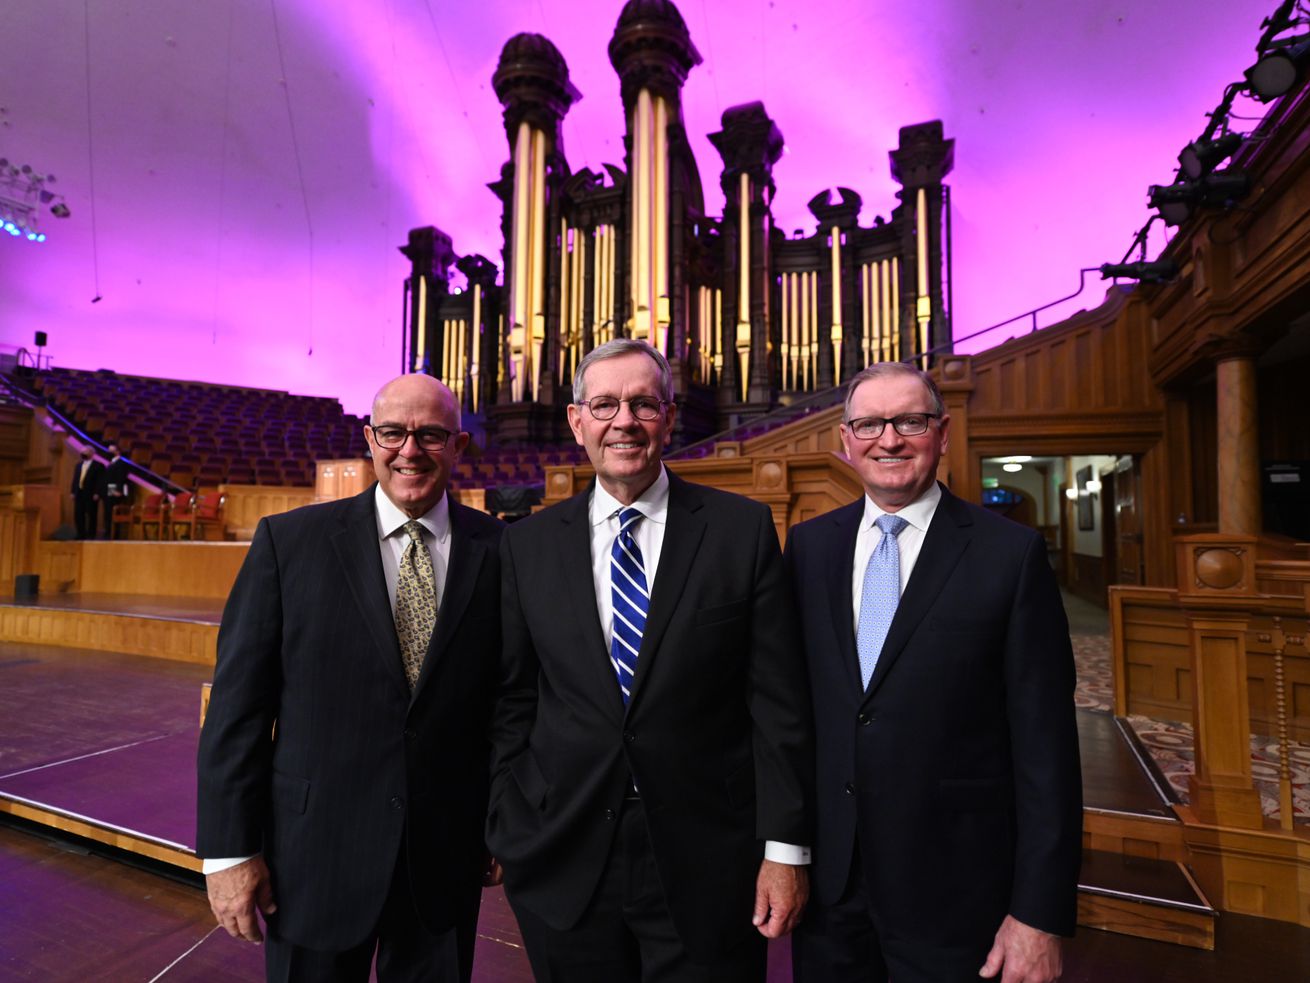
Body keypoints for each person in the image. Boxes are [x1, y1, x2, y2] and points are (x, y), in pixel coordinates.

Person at [488, 338, 814, 983]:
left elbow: (777, 703)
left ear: (669, 417)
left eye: (642, 403)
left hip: (709, 856)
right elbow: (512, 697)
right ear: (578, 421)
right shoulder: (525, 546)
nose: (624, 421)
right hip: (563, 851)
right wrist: (508, 816)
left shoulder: (740, 530)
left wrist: (785, 850)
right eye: (605, 404)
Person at [196, 374, 504, 983]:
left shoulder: (503, 551)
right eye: (392, 432)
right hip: (312, 858)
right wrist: (229, 852)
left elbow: (508, 703)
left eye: (431, 435)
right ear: (369, 439)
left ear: (459, 446)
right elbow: (239, 708)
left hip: (443, 859)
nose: (409, 450)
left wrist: (503, 822)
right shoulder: (290, 543)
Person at [785, 361, 1082, 983]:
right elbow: (794, 713)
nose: (888, 439)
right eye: (868, 423)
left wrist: (1039, 914)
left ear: (942, 432)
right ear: (845, 441)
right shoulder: (809, 549)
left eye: (909, 421)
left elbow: (1046, 750)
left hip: (957, 893)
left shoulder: (1010, 555)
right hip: (833, 891)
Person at [70, 446, 104, 539]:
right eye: (82, 451)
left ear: (92, 453)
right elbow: (75, 479)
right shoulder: (79, 465)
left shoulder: (98, 465)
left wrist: (97, 493)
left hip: (91, 493)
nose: (82, 453)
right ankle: (80, 534)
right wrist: (73, 492)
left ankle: (91, 535)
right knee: (78, 514)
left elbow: (100, 481)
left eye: (85, 451)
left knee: (91, 514)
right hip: (79, 492)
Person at [101, 442, 131, 538]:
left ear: (117, 452)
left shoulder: (121, 463)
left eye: (111, 450)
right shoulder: (111, 463)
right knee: (107, 513)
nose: (109, 452)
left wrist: (118, 490)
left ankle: (113, 534)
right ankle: (108, 532)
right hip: (108, 489)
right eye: (108, 450)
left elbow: (121, 478)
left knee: (113, 512)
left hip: (114, 490)